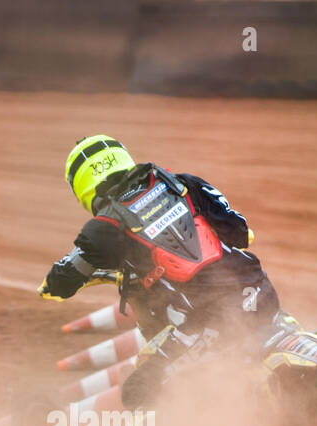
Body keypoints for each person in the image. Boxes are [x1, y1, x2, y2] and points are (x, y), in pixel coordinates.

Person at [39, 135, 291, 407]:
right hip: (259, 291)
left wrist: (47, 288)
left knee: (137, 392)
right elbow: (239, 230)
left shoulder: (102, 229)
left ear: (80, 184)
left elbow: (61, 282)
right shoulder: (181, 183)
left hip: (212, 325)